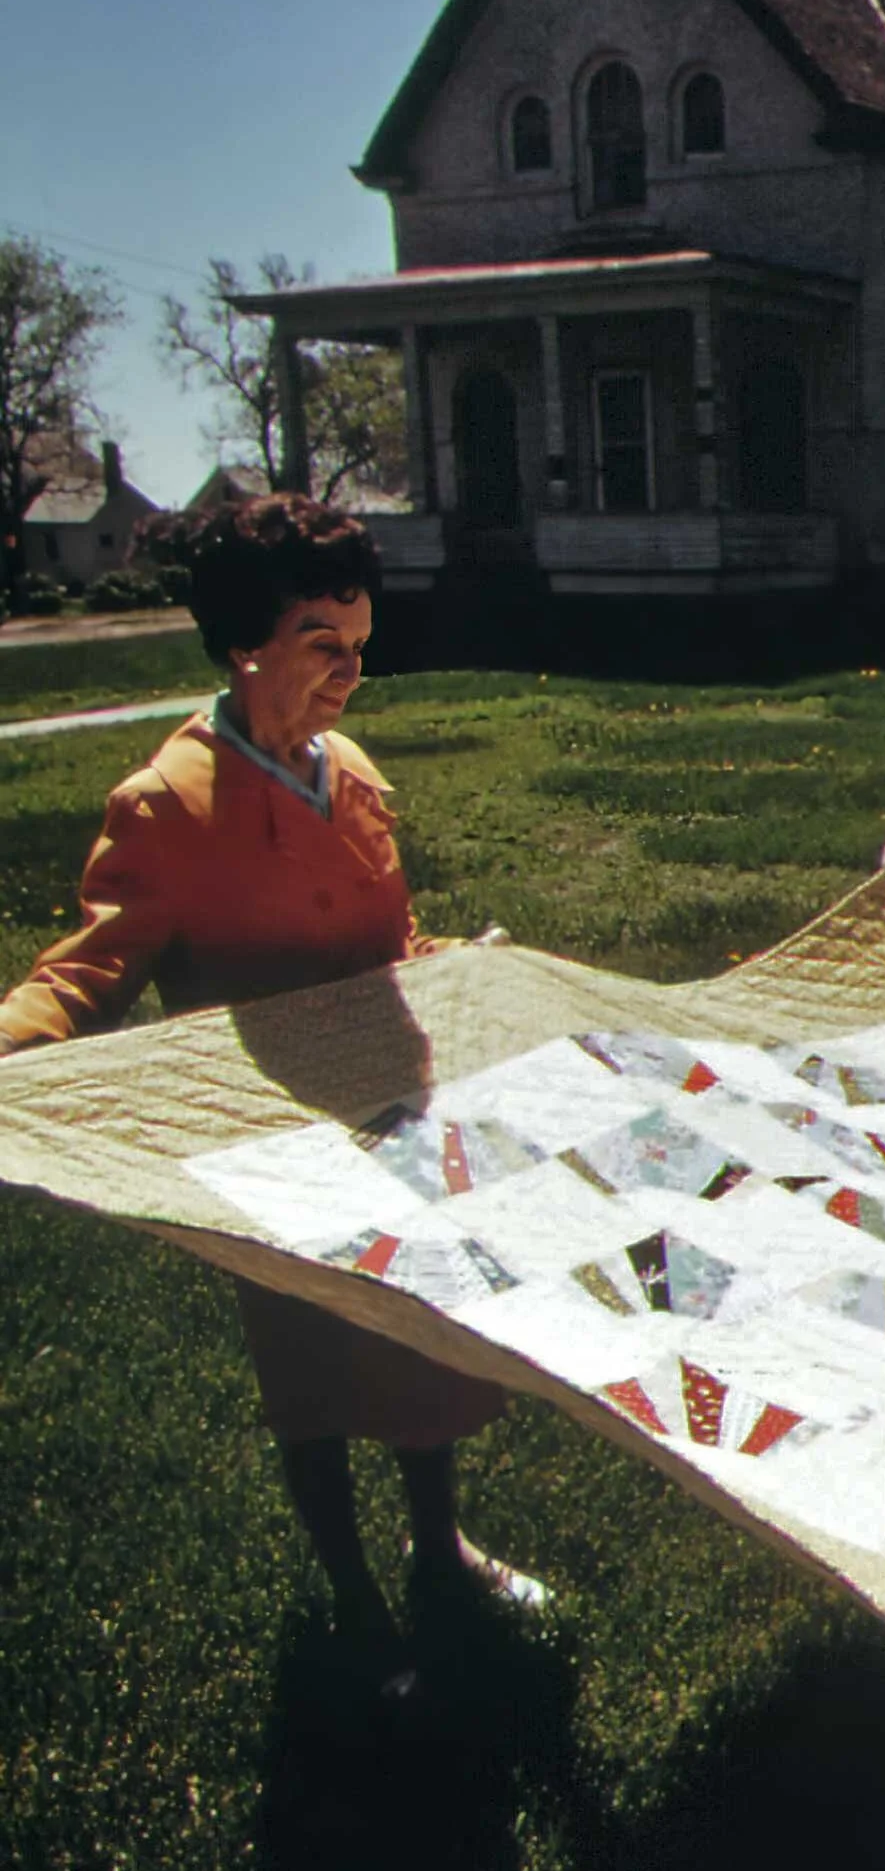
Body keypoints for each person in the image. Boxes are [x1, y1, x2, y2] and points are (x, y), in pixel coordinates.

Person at [0, 493, 540, 1654]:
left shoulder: (342, 762)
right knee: (314, 1377)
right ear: (247, 643)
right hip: (275, 1142)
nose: (351, 675)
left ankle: (440, 1552)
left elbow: (386, 941)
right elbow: (86, 972)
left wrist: (469, 967)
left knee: (419, 1344)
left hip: (391, 1111)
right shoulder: (167, 804)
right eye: (322, 647)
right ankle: (354, 1603)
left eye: (360, 646)